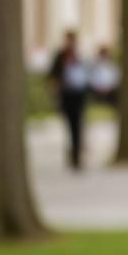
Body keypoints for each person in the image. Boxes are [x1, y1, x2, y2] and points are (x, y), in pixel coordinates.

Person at [46, 27, 88, 169]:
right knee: (70, 126)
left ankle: (77, 156)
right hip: (66, 95)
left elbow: (86, 75)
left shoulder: (80, 56)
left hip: (79, 95)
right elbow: (53, 76)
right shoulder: (60, 56)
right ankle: (72, 153)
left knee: (78, 126)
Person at [88, 43, 121, 107]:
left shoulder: (112, 65)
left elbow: (116, 77)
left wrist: (109, 87)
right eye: (103, 53)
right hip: (97, 90)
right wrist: (99, 87)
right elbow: (92, 78)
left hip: (110, 90)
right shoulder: (95, 65)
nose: (104, 55)